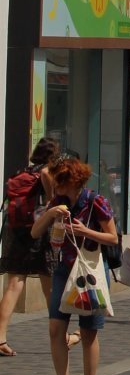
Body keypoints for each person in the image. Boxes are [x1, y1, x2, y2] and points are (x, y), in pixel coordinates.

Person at [30, 157, 117, 375]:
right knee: (56, 328)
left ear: (71, 181)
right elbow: (35, 233)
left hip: (89, 273)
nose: (54, 185)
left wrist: (85, 232)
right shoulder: (57, 203)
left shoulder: (95, 201)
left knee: (89, 333)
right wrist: (50, 214)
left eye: (58, 180)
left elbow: (112, 237)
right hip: (63, 270)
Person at [0, 137, 62, 357]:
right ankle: (60, 334)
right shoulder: (45, 171)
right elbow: (48, 185)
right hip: (37, 231)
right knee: (50, 284)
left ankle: (0, 338)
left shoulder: (22, 171)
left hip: (16, 231)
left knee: (14, 284)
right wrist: (53, 199)